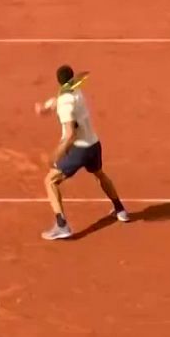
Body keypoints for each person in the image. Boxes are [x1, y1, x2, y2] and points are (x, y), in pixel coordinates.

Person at [37, 64, 129, 240]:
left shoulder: (65, 104)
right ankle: (120, 209)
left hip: (79, 149)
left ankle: (62, 225)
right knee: (100, 174)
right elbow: (60, 99)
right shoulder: (76, 90)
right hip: (94, 144)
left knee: (50, 180)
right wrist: (45, 107)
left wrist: (57, 153)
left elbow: (70, 133)